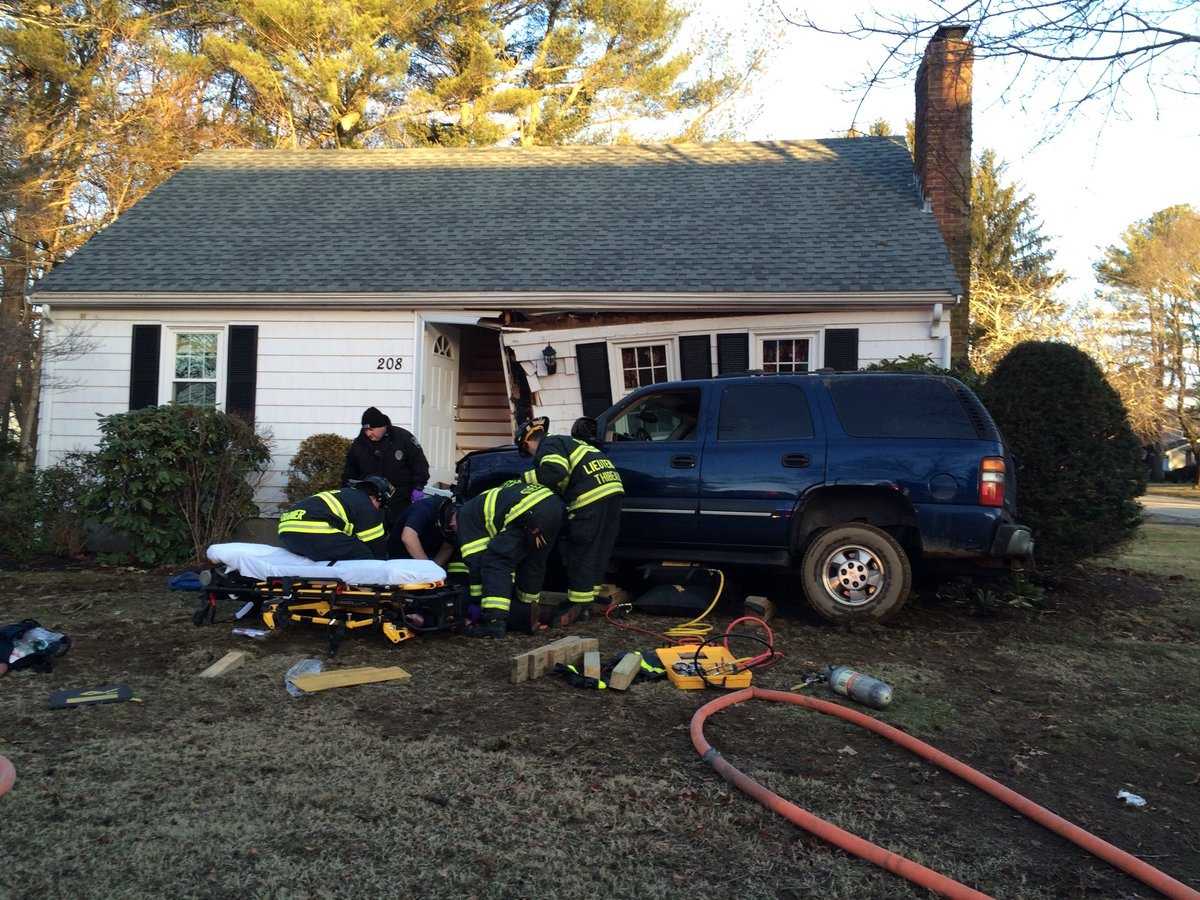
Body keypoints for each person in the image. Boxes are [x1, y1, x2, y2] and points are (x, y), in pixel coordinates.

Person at [516, 416, 624, 612]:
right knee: (598, 549)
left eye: (527, 452)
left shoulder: (548, 445)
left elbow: (554, 473)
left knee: (580, 550)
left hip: (590, 496)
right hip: (612, 490)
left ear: (528, 441)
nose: (531, 458)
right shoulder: (569, 442)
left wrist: (524, 478)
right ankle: (589, 597)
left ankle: (578, 604)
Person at [457, 480, 564, 638]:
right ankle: (529, 610)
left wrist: (477, 604)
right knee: (533, 562)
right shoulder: (481, 502)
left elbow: (477, 563)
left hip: (526, 512)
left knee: (496, 561)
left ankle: (494, 623)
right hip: (552, 506)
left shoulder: (464, 515)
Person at [342, 406, 429, 539]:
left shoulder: (403, 438)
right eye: (365, 430)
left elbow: (419, 464)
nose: (368, 434)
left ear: (382, 426)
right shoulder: (359, 444)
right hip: (371, 500)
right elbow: (349, 472)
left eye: (371, 429)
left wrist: (418, 487)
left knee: (399, 536)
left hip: (400, 497)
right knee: (373, 536)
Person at [277, 476, 394, 561]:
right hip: (313, 529)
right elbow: (376, 547)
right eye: (382, 506)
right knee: (363, 555)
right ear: (378, 498)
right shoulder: (367, 506)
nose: (379, 509)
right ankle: (362, 591)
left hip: (286, 530)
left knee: (343, 548)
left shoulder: (345, 495)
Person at [391, 495, 457, 566]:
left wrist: (434, 570)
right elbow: (408, 537)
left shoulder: (457, 522)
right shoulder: (426, 508)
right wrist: (427, 567)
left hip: (427, 555)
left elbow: (447, 547)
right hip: (399, 558)